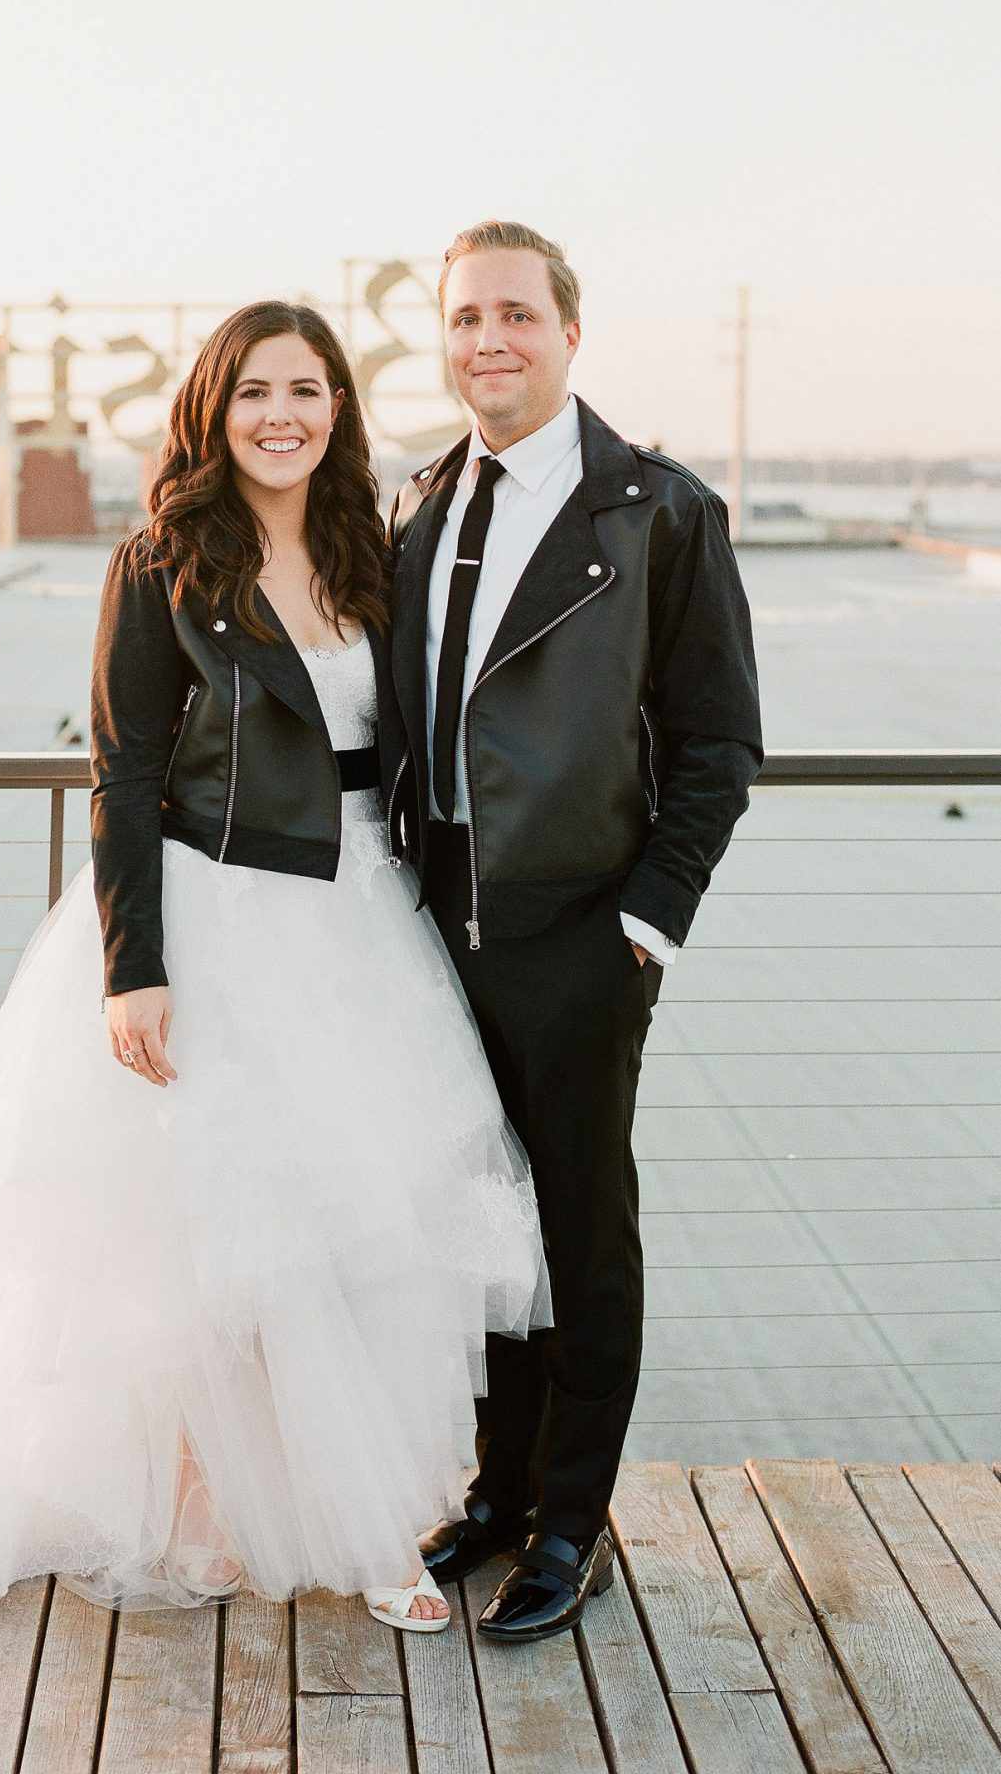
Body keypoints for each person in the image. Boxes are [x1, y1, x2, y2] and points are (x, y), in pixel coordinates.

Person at [0, 299, 548, 1631]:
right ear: (212, 412)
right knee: (226, 1244)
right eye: (253, 393)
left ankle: (366, 1515)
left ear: (338, 410)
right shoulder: (163, 559)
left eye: (305, 390)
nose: (280, 416)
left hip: (365, 919)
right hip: (220, 917)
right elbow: (120, 773)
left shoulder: (373, 548)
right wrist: (135, 967)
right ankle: (230, 1512)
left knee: (365, 1239)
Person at [387, 221, 763, 1642]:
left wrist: (646, 924)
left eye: (515, 315)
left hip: (579, 928)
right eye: (464, 318)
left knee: (580, 1225)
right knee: (479, 1219)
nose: (488, 339)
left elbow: (719, 743)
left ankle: (570, 1520)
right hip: (434, 925)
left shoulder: (658, 513)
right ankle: (499, 1491)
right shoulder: (420, 499)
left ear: (568, 333)